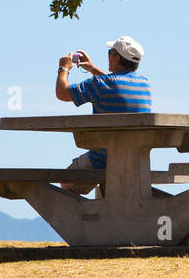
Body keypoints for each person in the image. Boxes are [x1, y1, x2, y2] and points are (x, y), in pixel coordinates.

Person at [55, 35, 151, 193]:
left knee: (66, 182)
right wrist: (92, 68)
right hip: (135, 161)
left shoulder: (101, 84)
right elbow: (115, 84)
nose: (108, 55)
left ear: (117, 58)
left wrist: (63, 68)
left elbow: (62, 93)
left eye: (110, 52)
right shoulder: (144, 84)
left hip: (102, 160)